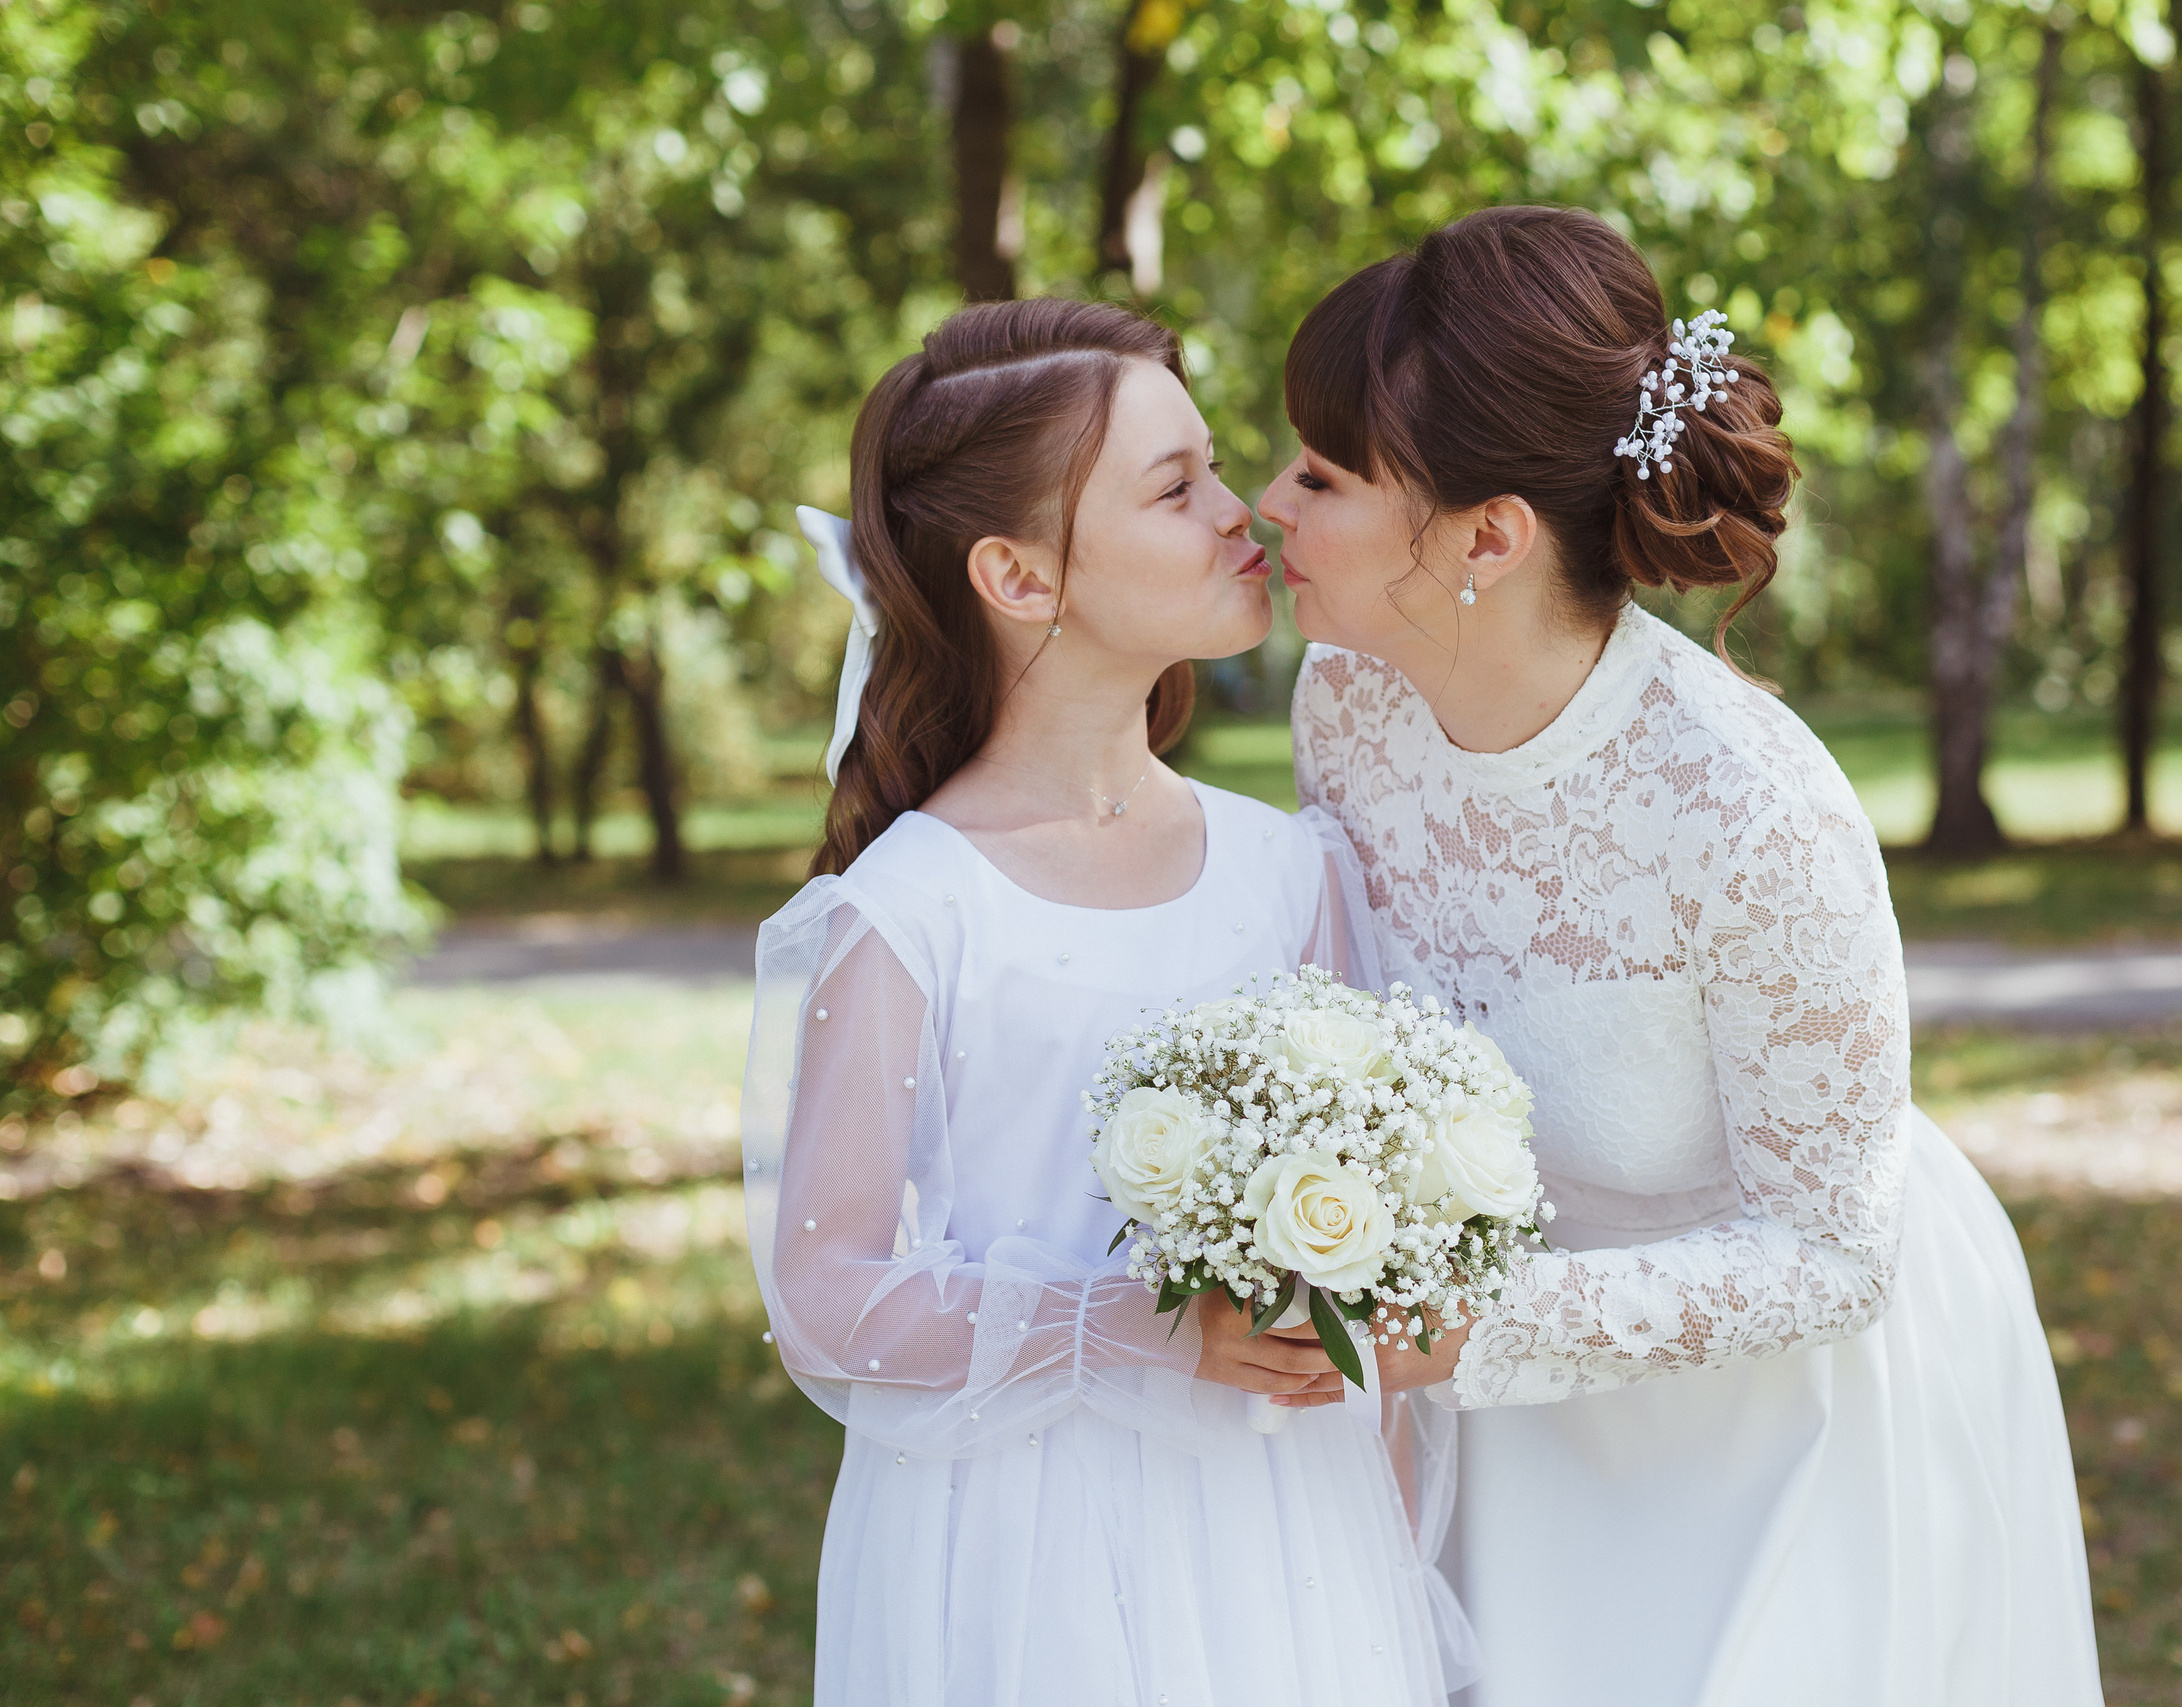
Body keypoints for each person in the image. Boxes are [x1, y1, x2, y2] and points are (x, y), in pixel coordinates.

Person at [1262, 206, 2106, 1707]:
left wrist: (1465, 1329)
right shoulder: (1349, 705)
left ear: (1487, 536)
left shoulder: (1746, 806)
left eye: (1323, 476)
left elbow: (1834, 1253)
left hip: (1787, 1420)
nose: (1268, 501)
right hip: (1513, 1422)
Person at [739, 299, 1455, 1707]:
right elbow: (824, 1298)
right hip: (1027, 1554)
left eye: (1215, 466)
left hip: (1281, 1537)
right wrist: (1136, 1329)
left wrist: (1390, 1572)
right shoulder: (913, 910)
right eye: (1174, 487)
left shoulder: (1285, 869)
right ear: (1017, 574)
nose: (1241, 508)